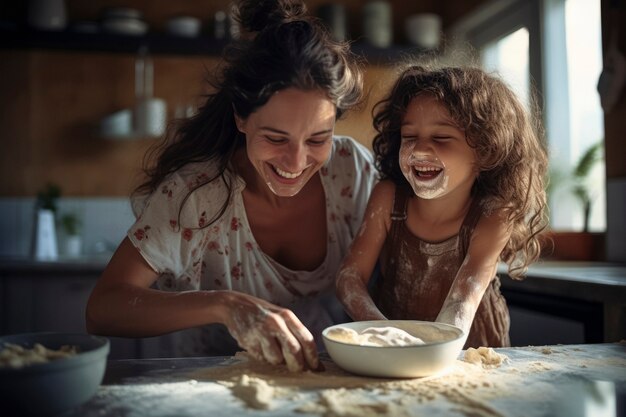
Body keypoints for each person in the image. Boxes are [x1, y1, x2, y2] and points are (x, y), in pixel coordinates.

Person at [86, 0, 377, 372]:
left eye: (318, 139)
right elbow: (102, 309)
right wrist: (225, 305)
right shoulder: (195, 195)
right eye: (276, 138)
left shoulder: (350, 169)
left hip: (323, 378)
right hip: (208, 385)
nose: (296, 161)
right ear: (241, 118)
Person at [335, 65, 548, 348]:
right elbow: (349, 278)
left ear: (485, 151)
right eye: (410, 136)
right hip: (392, 341)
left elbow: (461, 302)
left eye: (441, 138)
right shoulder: (388, 198)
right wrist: (382, 330)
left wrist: (434, 352)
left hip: (474, 345)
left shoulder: (494, 214)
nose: (420, 150)